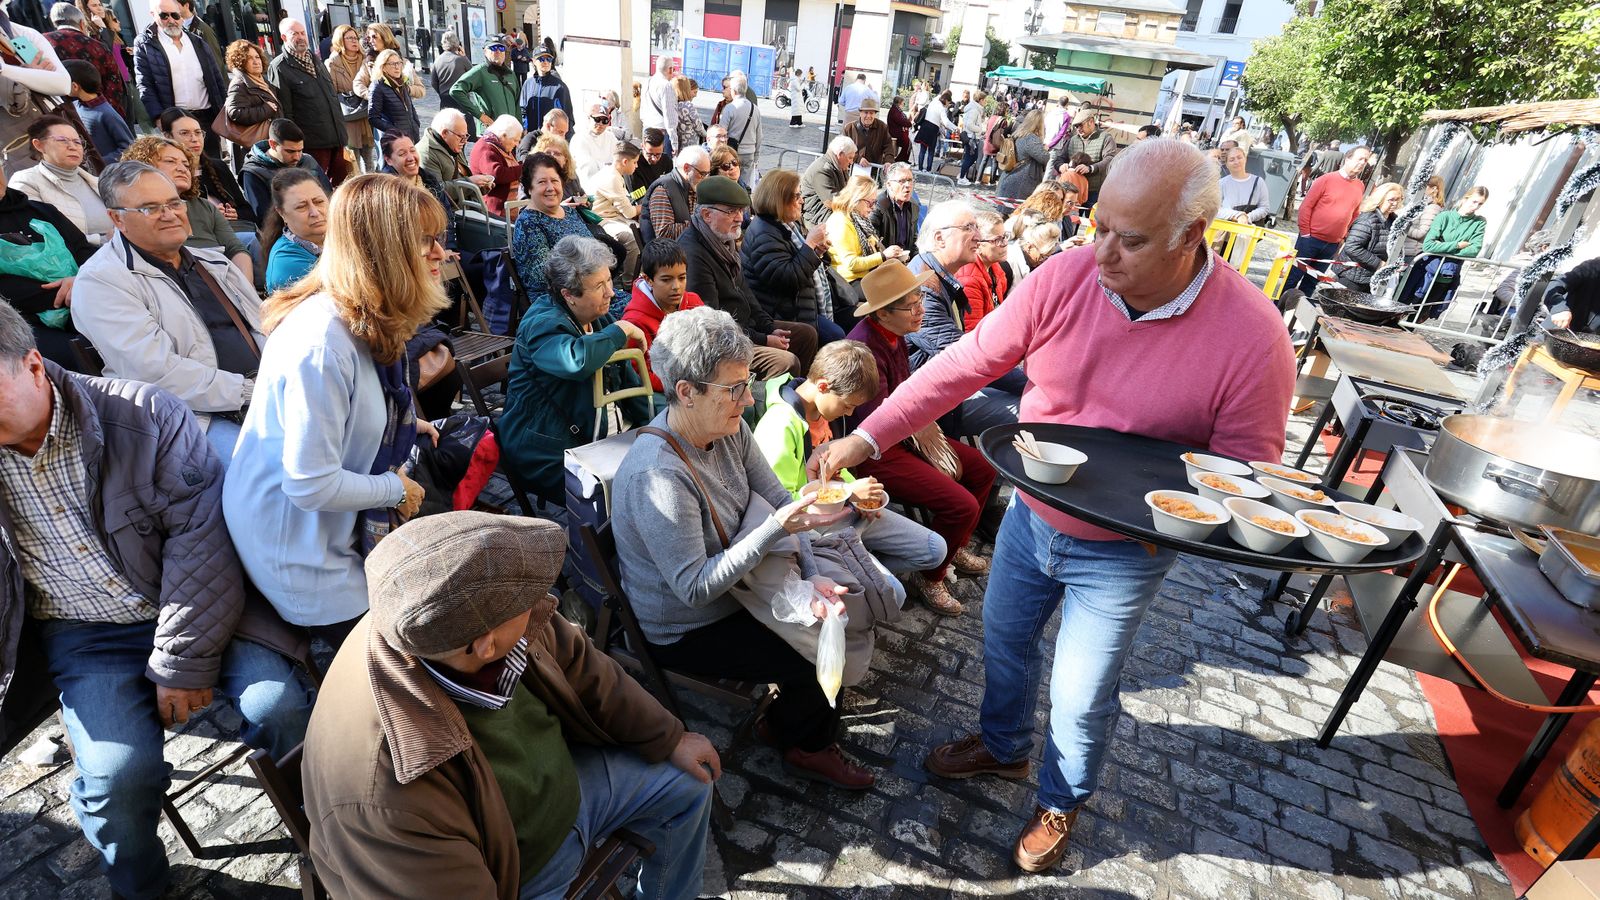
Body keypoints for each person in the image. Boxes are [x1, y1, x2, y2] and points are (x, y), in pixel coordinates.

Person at [812, 139, 1296, 873]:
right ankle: (1003, 749)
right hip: (1034, 514)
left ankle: (1061, 800)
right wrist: (870, 436)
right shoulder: (1065, 278)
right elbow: (964, 364)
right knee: (1003, 643)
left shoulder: (1253, 335)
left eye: (1129, 240)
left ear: (1191, 235)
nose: (1101, 253)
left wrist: (1179, 522)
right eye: (1098, 226)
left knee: (1080, 691)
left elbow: (1245, 472)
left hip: (1127, 549)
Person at [0, 301, 314, 900]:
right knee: (117, 780)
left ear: (34, 365)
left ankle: (335, 835)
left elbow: (202, 542)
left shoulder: (141, 415)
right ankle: (141, 888)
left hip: (205, 605)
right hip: (84, 633)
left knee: (278, 707)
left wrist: (181, 661)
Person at [303, 510, 717, 899]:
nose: (543, 600)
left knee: (689, 786)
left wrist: (667, 737)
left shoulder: (448, 618)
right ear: (485, 647)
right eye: (527, 598)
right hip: (514, 875)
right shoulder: (382, 794)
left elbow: (583, 664)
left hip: (572, 786)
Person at [612, 305, 876, 790]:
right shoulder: (660, 475)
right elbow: (694, 589)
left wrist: (810, 573)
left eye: (745, 383)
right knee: (817, 654)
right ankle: (799, 741)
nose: (746, 397)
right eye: (733, 388)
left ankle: (791, 721)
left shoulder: (728, 428)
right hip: (685, 624)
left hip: (739, 588)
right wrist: (776, 530)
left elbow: (779, 499)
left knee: (835, 614)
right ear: (686, 393)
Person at [224, 174, 442, 647]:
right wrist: (393, 488)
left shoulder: (363, 315)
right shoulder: (322, 344)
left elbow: (353, 408)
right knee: (416, 645)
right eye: (424, 242)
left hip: (329, 532)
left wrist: (397, 425)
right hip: (303, 555)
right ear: (385, 252)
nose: (440, 254)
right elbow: (308, 483)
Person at [830, 258, 994, 616]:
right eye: (911, 305)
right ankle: (930, 576)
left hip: (907, 435)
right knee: (961, 504)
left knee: (982, 467)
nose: (920, 309)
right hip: (875, 451)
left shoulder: (895, 336)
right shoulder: (864, 348)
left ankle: (955, 544)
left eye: (920, 299)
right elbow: (874, 423)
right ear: (882, 314)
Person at [72, 161, 263, 457]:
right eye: (150, 208)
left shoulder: (213, 262)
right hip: (190, 417)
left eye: (174, 203)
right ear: (117, 219)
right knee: (269, 467)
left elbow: (264, 324)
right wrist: (251, 391)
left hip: (260, 391)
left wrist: (280, 377)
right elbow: (156, 373)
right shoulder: (102, 280)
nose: (170, 215)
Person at [753, 341, 949, 595]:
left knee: (936, 550)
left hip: (847, 514)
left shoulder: (824, 412)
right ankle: (859, 571)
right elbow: (782, 504)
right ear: (823, 386)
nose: (849, 413)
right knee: (894, 593)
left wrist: (859, 498)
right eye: (848, 405)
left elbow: (836, 469)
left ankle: (863, 564)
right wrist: (848, 492)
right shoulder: (779, 425)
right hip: (814, 528)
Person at [499, 235, 648, 506]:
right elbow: (576, 360)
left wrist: (654, 425)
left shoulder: (598, 317)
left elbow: (627, 380)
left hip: (601, 438)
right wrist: (622, 330)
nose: (611, 292)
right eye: (599, 286)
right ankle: (593, 543)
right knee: (635, 490)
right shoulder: (542, 323)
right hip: (548, 449)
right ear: (568, 294)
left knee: (663, 463)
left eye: (609, 281)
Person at [681, 176, 819, 378]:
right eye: (731, 211)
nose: (739, 218)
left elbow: (746, 293)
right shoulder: (693, 252)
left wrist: (769, 327)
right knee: (785, 362)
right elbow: (712, 321)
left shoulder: (722, 240)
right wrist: (763, 339)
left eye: (741, 210)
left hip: (745, 327)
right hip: (720, 343)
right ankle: (771, 405)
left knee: (807, 335)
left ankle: (800, 396)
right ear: (706, 214)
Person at [906, 203, 1022, 439]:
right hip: (934, 399)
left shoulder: (937, 273)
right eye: (969, 227)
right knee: (1033, 409)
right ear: (940, 238)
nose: (979, 237)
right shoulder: (923, 289)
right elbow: (967, 356)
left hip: (949, 385)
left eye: (977, 227)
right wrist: (1032, 383)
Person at [0, 163, 98, 370]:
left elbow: (83, 250)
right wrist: (60, 294)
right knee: (74, 359)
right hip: (18, 322)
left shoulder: (41, 211)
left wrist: (79, 280)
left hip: (81, 298)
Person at [120, 135, 251, 281]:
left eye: (187, 165)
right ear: (145, 165)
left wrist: (245, 288)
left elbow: (236, 249)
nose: (182, 169)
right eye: (170, 161)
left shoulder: (205, 206)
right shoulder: (134, 211)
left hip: (223, 278)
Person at [743, 170, 842, 346]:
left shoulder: (786, 225)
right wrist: (810, 246)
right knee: (835, 336)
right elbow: (786, 280)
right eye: (797, 196)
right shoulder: (764, 233)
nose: (802, 200)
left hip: (798, 308)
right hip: (779, 313)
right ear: (779, 199)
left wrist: (817, 251)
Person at [513, 152, 617, 304]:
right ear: (529, 188)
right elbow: (542, 278)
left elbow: (594, 253)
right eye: (542, 182)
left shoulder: (569, 212)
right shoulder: (529, 223)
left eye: (555, 181)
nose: (550, 188)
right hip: (562, 302)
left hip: (594, 291)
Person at [134, 0, 226, 160]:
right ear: (153, 15)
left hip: (206, 116)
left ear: (182, 16)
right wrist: (158, 118)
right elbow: (145, 85)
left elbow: (216, 78)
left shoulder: (198, 42)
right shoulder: (145, 44)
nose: (171, 20)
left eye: (175, 15)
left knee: (213, 164)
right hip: (175, 119)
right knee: (184, 166)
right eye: (164, 15)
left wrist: (223, 109)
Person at [267, 18, 350, 188]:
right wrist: (294, 143)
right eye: (294, 34)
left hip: (336, 137)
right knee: (317, 187)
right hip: (312, 144)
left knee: (343, 186)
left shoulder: (315, 59)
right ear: (284, 37)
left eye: (302, 33)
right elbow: (285, 112)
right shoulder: (279, 67)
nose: (300, 37)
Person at [1284, 146, 1371, 296]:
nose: (1363, 163)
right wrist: (1305, 234)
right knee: (1293, 278)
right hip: (1310, 240)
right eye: (1360, 158)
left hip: (1332, 244)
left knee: (1311, 283)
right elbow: (1306, 207)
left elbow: (1355, 213)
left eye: (1366, 160)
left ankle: (1296, 314)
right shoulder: (1326, 180)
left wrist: (1344, 237)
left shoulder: (1360, 186)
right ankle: (1278, 309)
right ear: (1348, 158)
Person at [13, 116, 112, 246]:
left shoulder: (97, 181)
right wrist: (101, 240)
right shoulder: (26, 181)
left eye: (77, 142)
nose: (72, 147)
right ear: (39, 145)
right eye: (62, 140)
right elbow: (41, 235)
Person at [622, 239, 704, 394]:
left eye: (682, 277)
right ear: (648, 280)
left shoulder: (694, 302)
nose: (676, 286)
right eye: (666, 280)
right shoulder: (635, 321)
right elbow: (640, 374)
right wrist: (688, 387)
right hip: (664, 393)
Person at [160, 107, 254, 223]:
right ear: (168, 137)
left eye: (198, 132)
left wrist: (235, 214)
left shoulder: (218, 167)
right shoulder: (164, 174)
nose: (194, 139)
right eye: (184, 133)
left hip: (234, 231)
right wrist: (209, 216)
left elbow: (248, 212)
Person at [828, 174, 909, 306]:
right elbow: (851, 264)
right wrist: (883, 255)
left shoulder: (859, 219)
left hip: (863, 276)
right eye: (870, 202)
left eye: (875, 202)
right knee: (895, 295)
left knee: (903, 282)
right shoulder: (841, 222)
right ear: (856, 199)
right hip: (848, 282)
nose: (872, 207)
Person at [1413, 186, 1489, 320]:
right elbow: (1429, 245)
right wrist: (1457, 245)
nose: (1476, 207)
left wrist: (1441, 246)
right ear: (1466, 198)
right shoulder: (1444, 216)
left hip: (1447, 275)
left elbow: (1474, 250)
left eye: (1480, 204)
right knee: (1410, 306)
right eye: (1474, 201)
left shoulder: (1479, 222)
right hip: (1427, 271)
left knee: (1422, 316)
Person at [45, 1, 127, 120]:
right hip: (101, 111)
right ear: (82, 23)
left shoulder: (43, 42)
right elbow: (114, 82)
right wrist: (110, 111)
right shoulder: (98, 46)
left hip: (64, 116)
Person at [239, 117, 329, 222]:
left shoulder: (308, 160)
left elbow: (328, 194)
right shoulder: (253, 173)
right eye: (290, 151)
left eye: (300, 150)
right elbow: (264, 218)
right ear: (272, 144)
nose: (297, 157)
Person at [259, 168, 328, 291]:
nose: (315, 212)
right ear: (282, 213)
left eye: (319, 201)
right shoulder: (287, 264)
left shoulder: (341, 235)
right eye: (301, 207)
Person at [584, 141, 643, 277]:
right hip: (602, 220)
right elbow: (628, 212)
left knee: (642, 228)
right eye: (634, 162)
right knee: (632, 238)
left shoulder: (613, 174)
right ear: (625, 161)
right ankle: (630, 281)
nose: (636, 166)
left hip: (613, 217)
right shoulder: (612, 178)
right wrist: (644, 206)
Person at [327, 24, 376, 174]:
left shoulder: (365, 58)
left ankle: (372, 182)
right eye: (349, 38)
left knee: (369, 156)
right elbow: (332, 92)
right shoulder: (333, 62)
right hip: (348, 115)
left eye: (356, 37)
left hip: (366, 112)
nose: (354, 41)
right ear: (340, 41)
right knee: (352, 159)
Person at [63, 60, 132, 163]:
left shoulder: (106, 114)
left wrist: (100, 162)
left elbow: (129, 148)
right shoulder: (75, 106)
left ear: (75, 86)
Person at [1338, 181, 1402, 292]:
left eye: (1399, 199)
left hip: (1371, 278)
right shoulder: (1368, 219)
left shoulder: (1394, 222)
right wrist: (1379, 264)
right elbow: (1352, 247)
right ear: (1380, 199)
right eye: (1391, 199)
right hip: (1352, 277)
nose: (1395, 204)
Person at [221, 38, 278, 162]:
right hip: (255, 147)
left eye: (257, 57)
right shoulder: (239, 84)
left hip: (269, 141)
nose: (256, 61)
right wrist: (266, 109)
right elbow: (235, 113)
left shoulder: (262, 80)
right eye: (249, 58)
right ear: (240, 62)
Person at [449, 35, 521, 129]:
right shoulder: (480, 71)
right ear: (485, 51)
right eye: (493, 48)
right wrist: (480, 116)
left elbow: (517, 103)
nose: (498, 51)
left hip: (509, 132)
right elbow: (456, 90)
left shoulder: (510, 74)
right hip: (489, 131)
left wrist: (520, 127)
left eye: (501, 48)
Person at [643, 144, 708, 243]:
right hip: (668, 255)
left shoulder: (692, 185)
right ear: (686, 168)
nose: (705, 179)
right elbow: (664, 234)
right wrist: (702, 224)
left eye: (707, 174)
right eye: (702, 174)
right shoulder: (662, 191)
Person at [957, 207, 1009, 330]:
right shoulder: (969, 280)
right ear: (978, 246)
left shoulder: (995, 268)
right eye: (997, 240)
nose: (1004, 244)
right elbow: (971, 331)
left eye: (1005, 236)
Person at [1051, 108, 1117, 205]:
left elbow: (1110, 158)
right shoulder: (1073, 140)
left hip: (1093, 190)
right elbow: (1059, 158)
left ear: (1091, 121)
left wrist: (1091, 168)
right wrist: (1060, 166)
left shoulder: (1105, 138)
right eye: (1076, 126)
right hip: (1071, 191)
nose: (1078, 129)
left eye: (1080, 125)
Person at [367, 48, 421, 144]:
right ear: (383, 67)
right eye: (392, 64)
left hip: (411, 136)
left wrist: (416, 123)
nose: (397, 67)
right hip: (394, 140)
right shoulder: (377, 86)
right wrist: (394, 131)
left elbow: (410, 107)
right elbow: (373, 118)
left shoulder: (402, 82)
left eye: (399, 63)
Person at [518, 39, 572, 133]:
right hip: (532, 137)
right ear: (534, 61)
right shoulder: (528, 84)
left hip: (552, 138)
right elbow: (523, 110)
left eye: (549, 59)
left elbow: (568, 116)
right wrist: (524, 129)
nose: (546, 62)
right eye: (541, 59)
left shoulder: (560, 87)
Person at [801, 135, 856, 229]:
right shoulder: (822, 169)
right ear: (840, 154)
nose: (851, 162)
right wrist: (856, 205)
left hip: (829, 216)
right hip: (817, 220)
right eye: (850, 158)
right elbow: (831, 201)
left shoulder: (839, 166)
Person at [871, 162, 920, 258]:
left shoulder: (914, 206)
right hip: (884, 262)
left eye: (910, 180)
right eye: (902, 181)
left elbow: (913, 239)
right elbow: (872, 243)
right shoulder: (877, 206)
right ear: (889, 184)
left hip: (906, 260)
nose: (908, 185)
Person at [997, 109, 1049, 200]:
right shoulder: (1031, 138)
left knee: (1007, 212)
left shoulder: (1019, 134)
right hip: (1021, 183)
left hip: (1012, 178)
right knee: (1016, 212)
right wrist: (1045, 149)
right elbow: (1044, 158)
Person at [430, 30, 475, 135]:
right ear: (457, 44)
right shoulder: (461, 60)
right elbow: (473, 74)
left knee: (448, 129)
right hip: (460, 98)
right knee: (462, 131)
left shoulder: (438, 60)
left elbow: (433, 82)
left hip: (445, 99)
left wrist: (441, 91)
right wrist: (464, 57)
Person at [719, 70, 761, 180]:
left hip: (733, 152)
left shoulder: (730, 108)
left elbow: (721, 132)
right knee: (745, 185)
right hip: (749, 153)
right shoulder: (755, 109)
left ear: (734, 91)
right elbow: (759, 135)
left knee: (731, 182)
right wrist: (756, 155)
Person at [1003, 212, 1062, 287]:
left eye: (1048, 257)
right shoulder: (1009, 263)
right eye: (1042, 256)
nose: (1043, 261)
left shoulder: (1029, 263)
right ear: (1029, 247)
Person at [1545, 255, 1600, 333]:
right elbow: (1555, 284)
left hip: (1588, 343)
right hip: (1551, 334)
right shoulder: (1594, 267)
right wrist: (1559, 309)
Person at [572, 101, 621, 182]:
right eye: (597, 119)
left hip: (610, 182)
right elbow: (588, 168)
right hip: (587, 186)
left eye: (605, 120)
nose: (601, 124)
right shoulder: (579, 138)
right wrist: (610, 166)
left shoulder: (610, 137)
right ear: (589, 118)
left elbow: (619, 160)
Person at [1218, 146, 1268, 225]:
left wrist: (1247, 217)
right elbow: (1217, 210)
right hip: (1227, 228)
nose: (1236, 162)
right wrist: (1238, 216)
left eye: (1239, 157)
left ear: (1245, 159)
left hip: (1252, 229)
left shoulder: (1258, 182)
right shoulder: (1221, 183)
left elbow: (1264, 207)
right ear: (1226, 164)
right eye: (1232, 160)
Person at [640, 58, 681, 154]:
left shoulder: (647, 82)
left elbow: (642, 110)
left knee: (648, 163)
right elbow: (669, 116)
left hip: (647, 129)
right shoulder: (666, 85)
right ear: (670, 69)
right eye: (673, 70)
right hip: (662, 133)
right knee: (663, 166)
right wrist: (674, 142)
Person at [844, 97, 894, 170]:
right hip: (853, 169)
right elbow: (844, 149)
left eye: (871, 113)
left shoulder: (882, 127)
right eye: (866, 112)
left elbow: (888, 146)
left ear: (875, 114)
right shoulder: (849, 128)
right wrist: (858, 159)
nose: (868, 116)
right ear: (860, 113)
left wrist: (888, 161)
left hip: (874, 169)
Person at [914, 90, 953, 173]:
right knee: (931, 151)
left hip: (925, 126)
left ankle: (920, 168)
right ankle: (928, 169)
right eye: (948, 102)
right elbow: (946, 122)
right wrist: (955, 128)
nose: (948, 105)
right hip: (933, 129)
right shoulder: (941, 108)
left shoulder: (934, 102)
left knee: (922, 150)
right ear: (946, 100)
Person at [632, 128, 673, 203]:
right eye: (649, 154)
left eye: (658, 154)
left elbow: (670, 188)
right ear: (642, 146)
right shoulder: (633, 165)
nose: (654, 159)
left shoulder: (666, 161)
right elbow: (639, 199)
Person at [958, 89, 986, 186]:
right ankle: (961, 177)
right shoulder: (975, 110)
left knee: (968, 157)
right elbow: (970, 124)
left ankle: (961, 175)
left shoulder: (973, 108)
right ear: (980, 100)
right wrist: (979, 129)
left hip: (970, 137)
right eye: (984, 100)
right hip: (971, 138)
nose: (985, 102)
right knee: (972, 157)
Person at [671, 75, 705, 154]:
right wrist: (707, 134)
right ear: (687, 90)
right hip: (691, 145)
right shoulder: (688, 106)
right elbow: (699, 127)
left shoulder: (674, 104)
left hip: (679, 143)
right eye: (695, 92)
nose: (696, 95)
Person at [887, 95, 913, 163]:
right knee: (907, 143)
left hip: (898, 131)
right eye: (903, 103)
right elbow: (901, 121)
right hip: (895, 132)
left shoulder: (896, 110)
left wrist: (907, 121)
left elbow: (903, 120)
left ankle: (904, 159)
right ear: (899, 103)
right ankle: (900, 159)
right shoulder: (895, 111)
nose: (903, 105)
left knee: (909, 143)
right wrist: (909, 123)